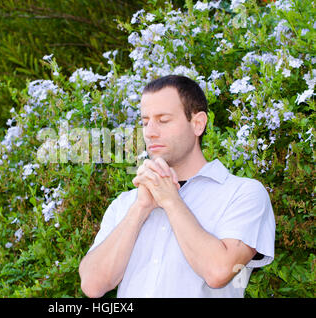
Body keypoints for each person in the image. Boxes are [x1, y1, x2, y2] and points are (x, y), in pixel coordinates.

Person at [79, 75, 275, 298]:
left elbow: (219, 271)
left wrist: (171, 201)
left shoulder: (242, 194)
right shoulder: (125, 203)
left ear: (198, 123)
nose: (150, 132)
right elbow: (92, 286)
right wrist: (141, 208)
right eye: (145, 122)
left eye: (163, 120)